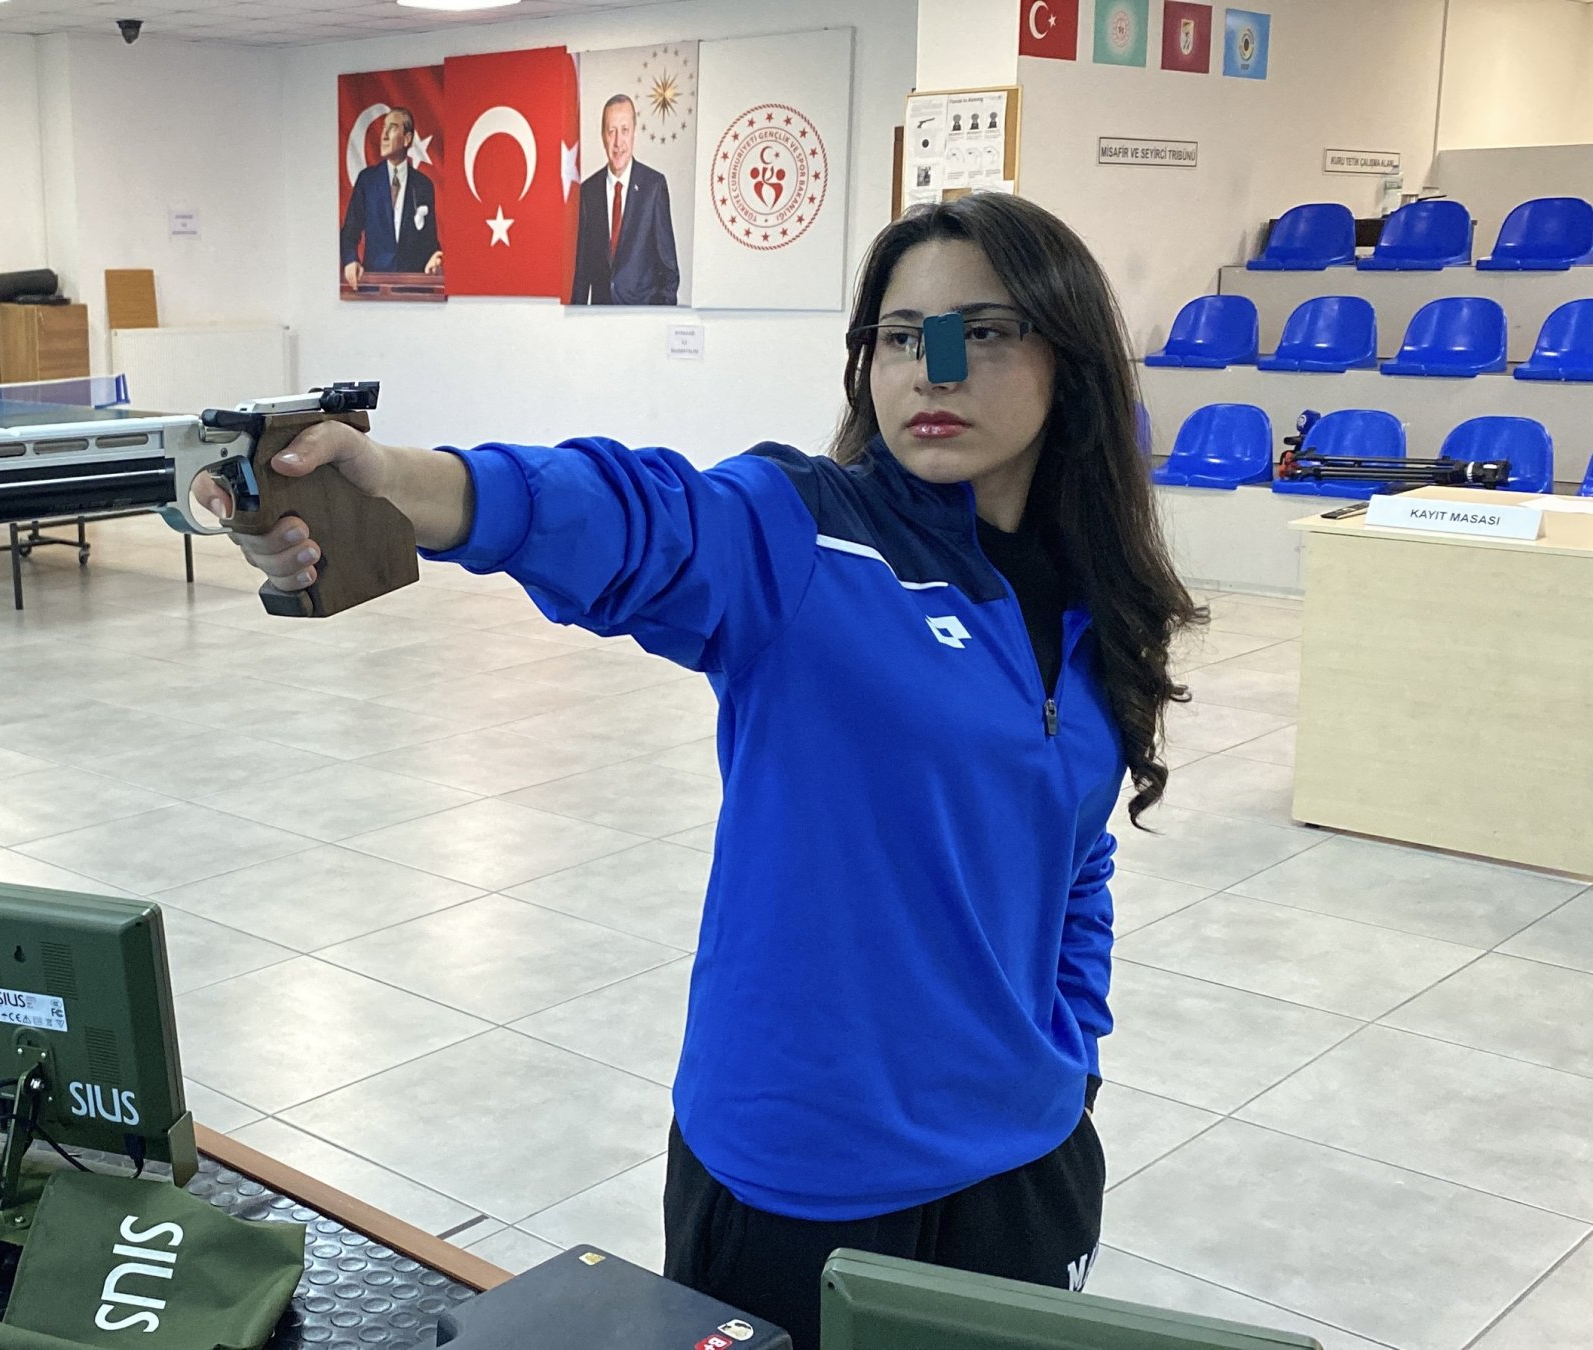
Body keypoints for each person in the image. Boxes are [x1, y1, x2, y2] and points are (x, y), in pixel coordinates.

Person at [206, 192, 1201, 1347]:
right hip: (801, 1176)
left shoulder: (1094, 599)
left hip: (1024, 1168)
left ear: (1067, 356)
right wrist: (399, 484)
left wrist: (1068, 1059)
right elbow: (634, 517)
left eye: (982, 331)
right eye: (898, 335)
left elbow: (1076, 858)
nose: (933, 369)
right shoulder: (801, 538)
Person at [571, 94, 680, 306]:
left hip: (642, 321)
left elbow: (669, 271)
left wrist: (656, 322)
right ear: (603, 136)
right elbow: (582, 273)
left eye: (624, 130)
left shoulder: (653, 187)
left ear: (634, 134)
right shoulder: (588, 192)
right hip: (600, 323)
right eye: (611, 131)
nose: (618, 142)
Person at [340, 108, 442, 287]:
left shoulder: (423, 185)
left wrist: (435, 258)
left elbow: (430, 242)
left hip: (413, 289)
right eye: (384, 128)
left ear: (407, 139)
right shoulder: (367, 180)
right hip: (374, 288)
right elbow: (349, 232)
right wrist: (350, 261)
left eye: (392, 128)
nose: (384, 135)